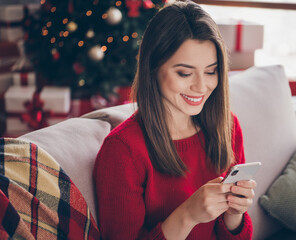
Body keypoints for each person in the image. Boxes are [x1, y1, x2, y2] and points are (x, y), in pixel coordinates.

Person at [93, 1, 257, 239]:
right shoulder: (122, 151)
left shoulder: (227, 127)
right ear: (152, 68)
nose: (202, 86)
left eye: (211, 71)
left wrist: (234, 214)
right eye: (184, 73)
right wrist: (187, 215)